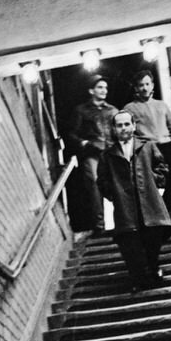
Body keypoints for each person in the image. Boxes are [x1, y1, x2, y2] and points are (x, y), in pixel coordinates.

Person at [96, 110, 171, 293]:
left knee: (152, 238)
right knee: (130, 241)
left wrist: (152, 180)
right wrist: (115, 194)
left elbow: (162, 167)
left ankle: (153, 271)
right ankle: (139, 278)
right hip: (125, 207)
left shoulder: (147, 146)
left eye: (126, 124)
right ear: (114, 129)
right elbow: (102, 180)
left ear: (133, 126)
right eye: (119, 125)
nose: (123, 128)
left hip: (149, 203)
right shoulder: (108, 155)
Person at [64, 76, 118, 231]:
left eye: (106, 88)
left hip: (111, 152)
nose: (104, 91)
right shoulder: (81, 110)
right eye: (100, 87)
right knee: (95, 183)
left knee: (116, 184)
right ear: (91, 90)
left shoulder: (112, 110)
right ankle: (100, 224)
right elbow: (72, 134)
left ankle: (122, 222)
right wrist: (84, 143)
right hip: (92, 153)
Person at [122, 71, 171, 200]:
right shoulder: (130, 108)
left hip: (166, 143)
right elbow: (127, 133)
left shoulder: (161, 105)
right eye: (141, 85)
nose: (144, 88)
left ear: (152, 85)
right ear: (136, 88)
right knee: (151, 179)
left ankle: (167, 202)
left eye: (147, 84)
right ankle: (157, 206)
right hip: (147, 147)